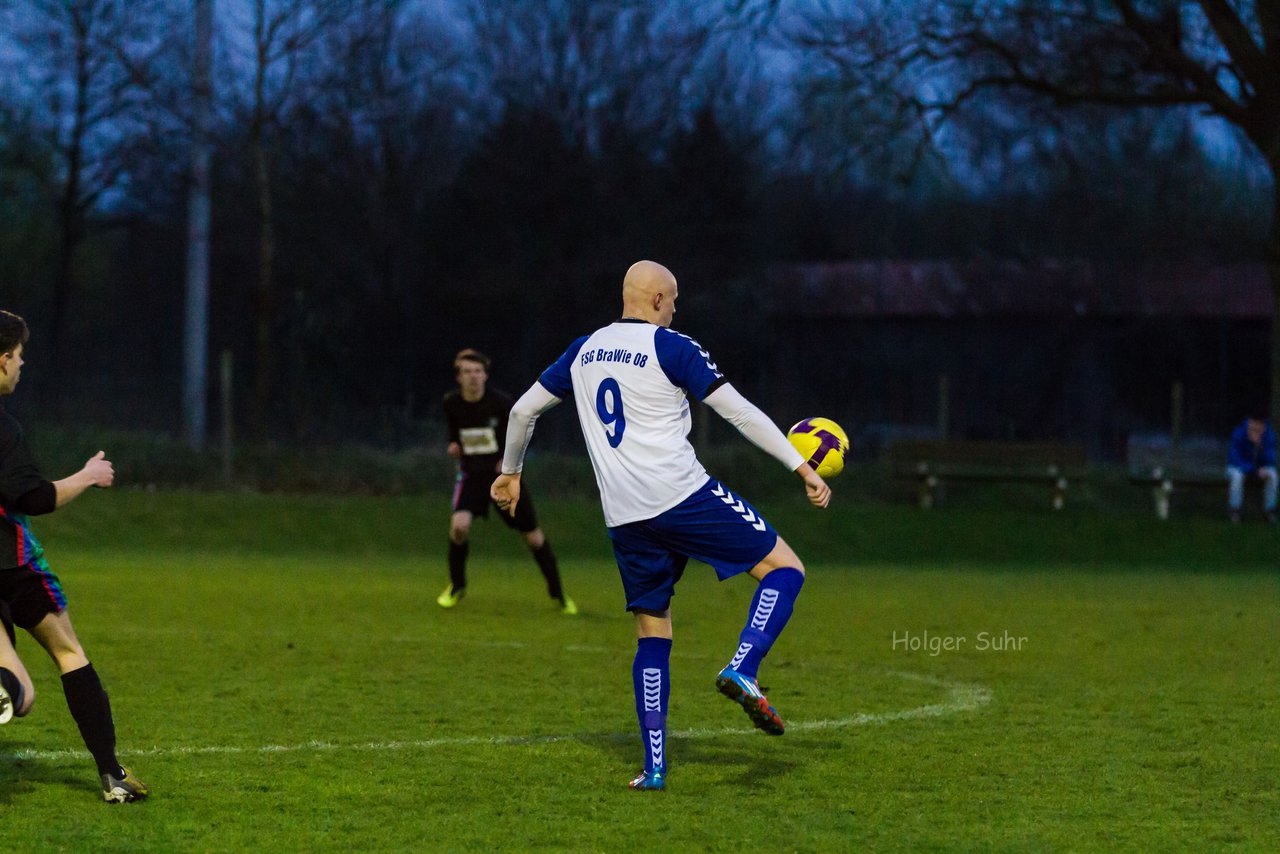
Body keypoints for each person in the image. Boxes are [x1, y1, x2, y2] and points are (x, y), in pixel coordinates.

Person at [490, 261, 831, 791]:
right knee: (785, 568)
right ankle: (743, 666)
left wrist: (510, 474)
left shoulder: (582, 349)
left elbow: (520, 412)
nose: (676, 309)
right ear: (655, 301)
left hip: (624, 516)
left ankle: (653, 769)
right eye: (673, 300)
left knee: (653, 629)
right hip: (680, 495)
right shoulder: (672, 346)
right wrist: (802, 467)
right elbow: (737, 412)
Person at [0, 309, 148, 802]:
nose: (23, 366)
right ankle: (113, 775)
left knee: (18, 691)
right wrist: (87, 475)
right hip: (12, 565)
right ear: (2, 360)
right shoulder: (5, 430)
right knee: (68, 652)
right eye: (19, 357)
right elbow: (33, 499)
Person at [438, 348, 577, 614]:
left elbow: (525, 434)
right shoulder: (451, 403)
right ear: (459, 377)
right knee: (459, 527)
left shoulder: (501, 404)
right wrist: (454, 445)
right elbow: (455, 435)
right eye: (467, 372)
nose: (473, 377)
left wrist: (508, 459)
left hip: (503, 479)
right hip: (471, 477)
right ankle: (457, 586)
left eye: (477, 371)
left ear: (486, 375)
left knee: (534, 538)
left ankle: (559, 595)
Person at [1226, 414, 1278, 524]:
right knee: (1237, 476)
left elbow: (1271, 458)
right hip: (1240, 467)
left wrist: (1260, 447)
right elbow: (1234, 459)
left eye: (1259, 428)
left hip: (1260, 468)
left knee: (1273, 475)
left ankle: (1269, 510)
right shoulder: (1239, 434)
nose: (1256, 430)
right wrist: (1252, 469)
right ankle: (1235, 510)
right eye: (1253, 426)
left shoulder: (1269, 435)